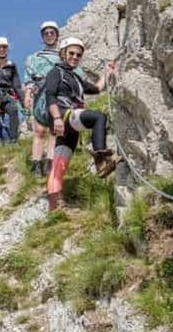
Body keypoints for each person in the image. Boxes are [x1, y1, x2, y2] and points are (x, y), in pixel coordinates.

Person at [44, 37, 119, 211]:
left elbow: (96, 89)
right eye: (71, 53)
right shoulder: (56, 72)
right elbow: (50, 96)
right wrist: (56, 118)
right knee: (98, 118)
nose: (75, 57)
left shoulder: (75, 78)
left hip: (69, 125)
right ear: (63, 54)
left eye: (78, 55)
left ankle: (54, 204)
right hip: (64, 116)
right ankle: (100, 159)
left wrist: (107, 73)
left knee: (60, 164)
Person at [24, 21, 62, 178]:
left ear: (57, 35)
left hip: (57, 94)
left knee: (54, 130)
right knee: (39, 131)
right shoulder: (34, 58)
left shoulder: (63, 56)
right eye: (46, 33)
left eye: (52, 32)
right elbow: (30, 78)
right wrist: (27, 94)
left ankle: (49, 163)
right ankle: (36, 165)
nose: (49, 35)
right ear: (42, 37)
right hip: (40, 92)